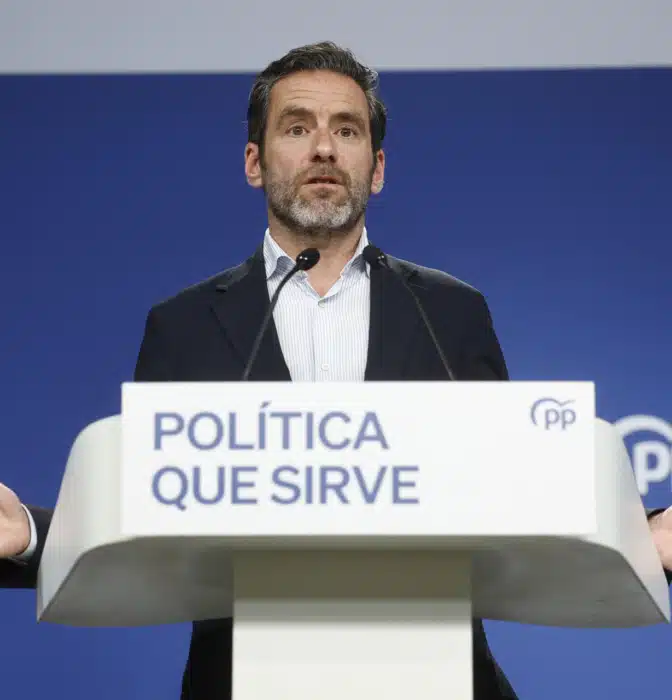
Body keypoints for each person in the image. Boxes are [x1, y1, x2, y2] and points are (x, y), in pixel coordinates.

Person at [1, 40, 671, 700]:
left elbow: (510, 493)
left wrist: (637, 537)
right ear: (254, 163)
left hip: (437, 677)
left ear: (376, 169)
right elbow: (141, 519)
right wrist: (29, 534)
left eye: (346, 130)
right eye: (298, 128)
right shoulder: (183, 326)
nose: (324, 147)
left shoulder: (450, 312)